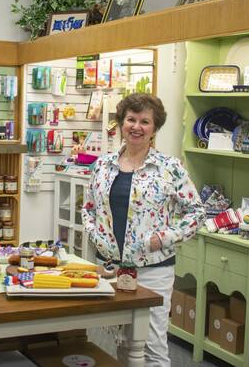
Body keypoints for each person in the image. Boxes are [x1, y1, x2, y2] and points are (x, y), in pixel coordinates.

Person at [82, 93, 205, 367]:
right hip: (111, 268)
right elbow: (88, 208)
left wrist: (161, 239)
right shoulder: (102, 165)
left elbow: (196, 213)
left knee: (151, 345)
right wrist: (95, 235)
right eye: (131, 119)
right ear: (122, 123)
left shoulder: (169, 168)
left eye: (145, 121)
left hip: (153, 270)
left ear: (154, 128)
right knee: (124, 341)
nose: (136, 126)